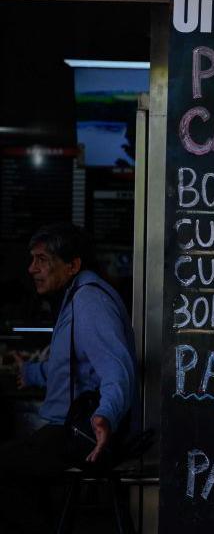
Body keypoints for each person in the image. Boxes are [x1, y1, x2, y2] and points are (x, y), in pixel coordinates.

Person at [0, 222, 136, 533]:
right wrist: (30, 372)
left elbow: (118, 367)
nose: (32, 268)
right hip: (69, 427)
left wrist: (106, 415)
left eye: (42, 260)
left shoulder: (89, 302)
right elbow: (70, 368)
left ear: (73, 265)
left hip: (79, 431)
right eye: (32, 259)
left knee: (7, 469)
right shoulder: (77, 298)